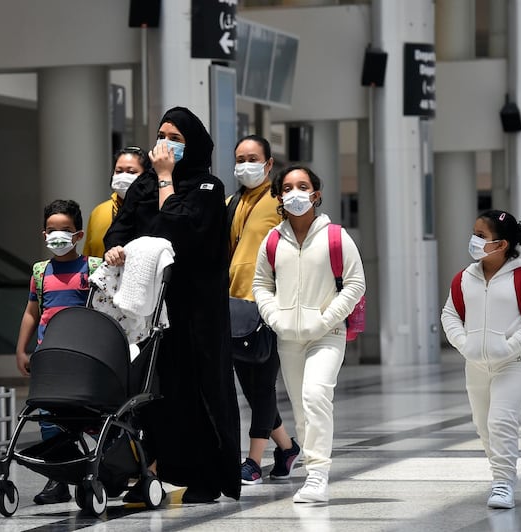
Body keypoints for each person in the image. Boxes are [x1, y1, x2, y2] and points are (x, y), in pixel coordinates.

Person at [103, 106, 241, 503]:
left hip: (195, 310)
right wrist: (115, 247)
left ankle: (206, 479)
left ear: (193, 143)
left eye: (176, 138)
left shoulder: (208, 187)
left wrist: (166, 178)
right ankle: (151, 472)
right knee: (152, 393)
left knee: (197, 392)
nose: (165, 144)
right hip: (149, 310)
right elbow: (121, 227)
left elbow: (176, 227)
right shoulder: (144, 186)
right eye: (162, 135)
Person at [252, 165, 365, 504]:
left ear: (316, 194)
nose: (295, 193)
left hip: (326, 334)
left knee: (316, 395)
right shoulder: (273, 240)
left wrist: (325, 319)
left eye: (303, 186)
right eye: (288, 187)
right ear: (279, 196)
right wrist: (275, 318)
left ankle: (318, 474)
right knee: (303, 407)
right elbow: (261, 284)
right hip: (288, 338)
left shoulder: (336, 236)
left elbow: (356, 283)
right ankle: (311, 472)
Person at [440, 209, 521, 509]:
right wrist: (464, 344)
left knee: (501, 421)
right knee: (484, 425)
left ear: (501, 245)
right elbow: (449, 314)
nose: (473, 241)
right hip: (475, 365)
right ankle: (500, 473)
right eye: (473, 234)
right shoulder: (464, 278)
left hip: (512, 364)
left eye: (481, 236)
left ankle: (503, 483)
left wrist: (511, 346)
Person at [15, 199, 101, 505]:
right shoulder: (40, 271)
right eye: (52, 230)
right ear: (43, 235)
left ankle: (99, 466)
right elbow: (31, 312)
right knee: (49, 418)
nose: (58, 236)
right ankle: (58, 477)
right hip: (48, 357)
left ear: (78, 235)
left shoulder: (93, 268)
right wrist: (22, 349)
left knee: (89, 415)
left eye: (65, 230)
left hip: (81, 356)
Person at [228, 135, 299, 485]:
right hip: (235, 306)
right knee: (252, 388)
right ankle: (286, 448)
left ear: (269, 164)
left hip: (270, 303)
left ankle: (253, 461)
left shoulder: (279, 202)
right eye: (240, 158)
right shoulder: (232, 202)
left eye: (253, 158)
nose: (245, 165)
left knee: (263, 386)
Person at [82, 146, 150, 258]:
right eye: (119, 171)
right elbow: (89, 257)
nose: (123, 176)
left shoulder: (154, 211)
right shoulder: (99, 212)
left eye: (131, 172)